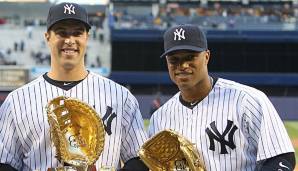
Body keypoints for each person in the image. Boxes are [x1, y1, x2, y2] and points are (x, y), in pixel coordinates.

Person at [0, 2, 148, 171]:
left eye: (77, 33)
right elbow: (5, 163)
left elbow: (138, 161)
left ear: (87, 37)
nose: (69, 40)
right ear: (47, 37)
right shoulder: (17, 101)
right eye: (61, 33)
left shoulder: (121, 97)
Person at [148, 24, 296, 171]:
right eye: (174, 59)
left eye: (190, 57)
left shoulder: (247, 100)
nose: (183, 65)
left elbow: (281, 158)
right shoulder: (159, 119)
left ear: (206, 57)